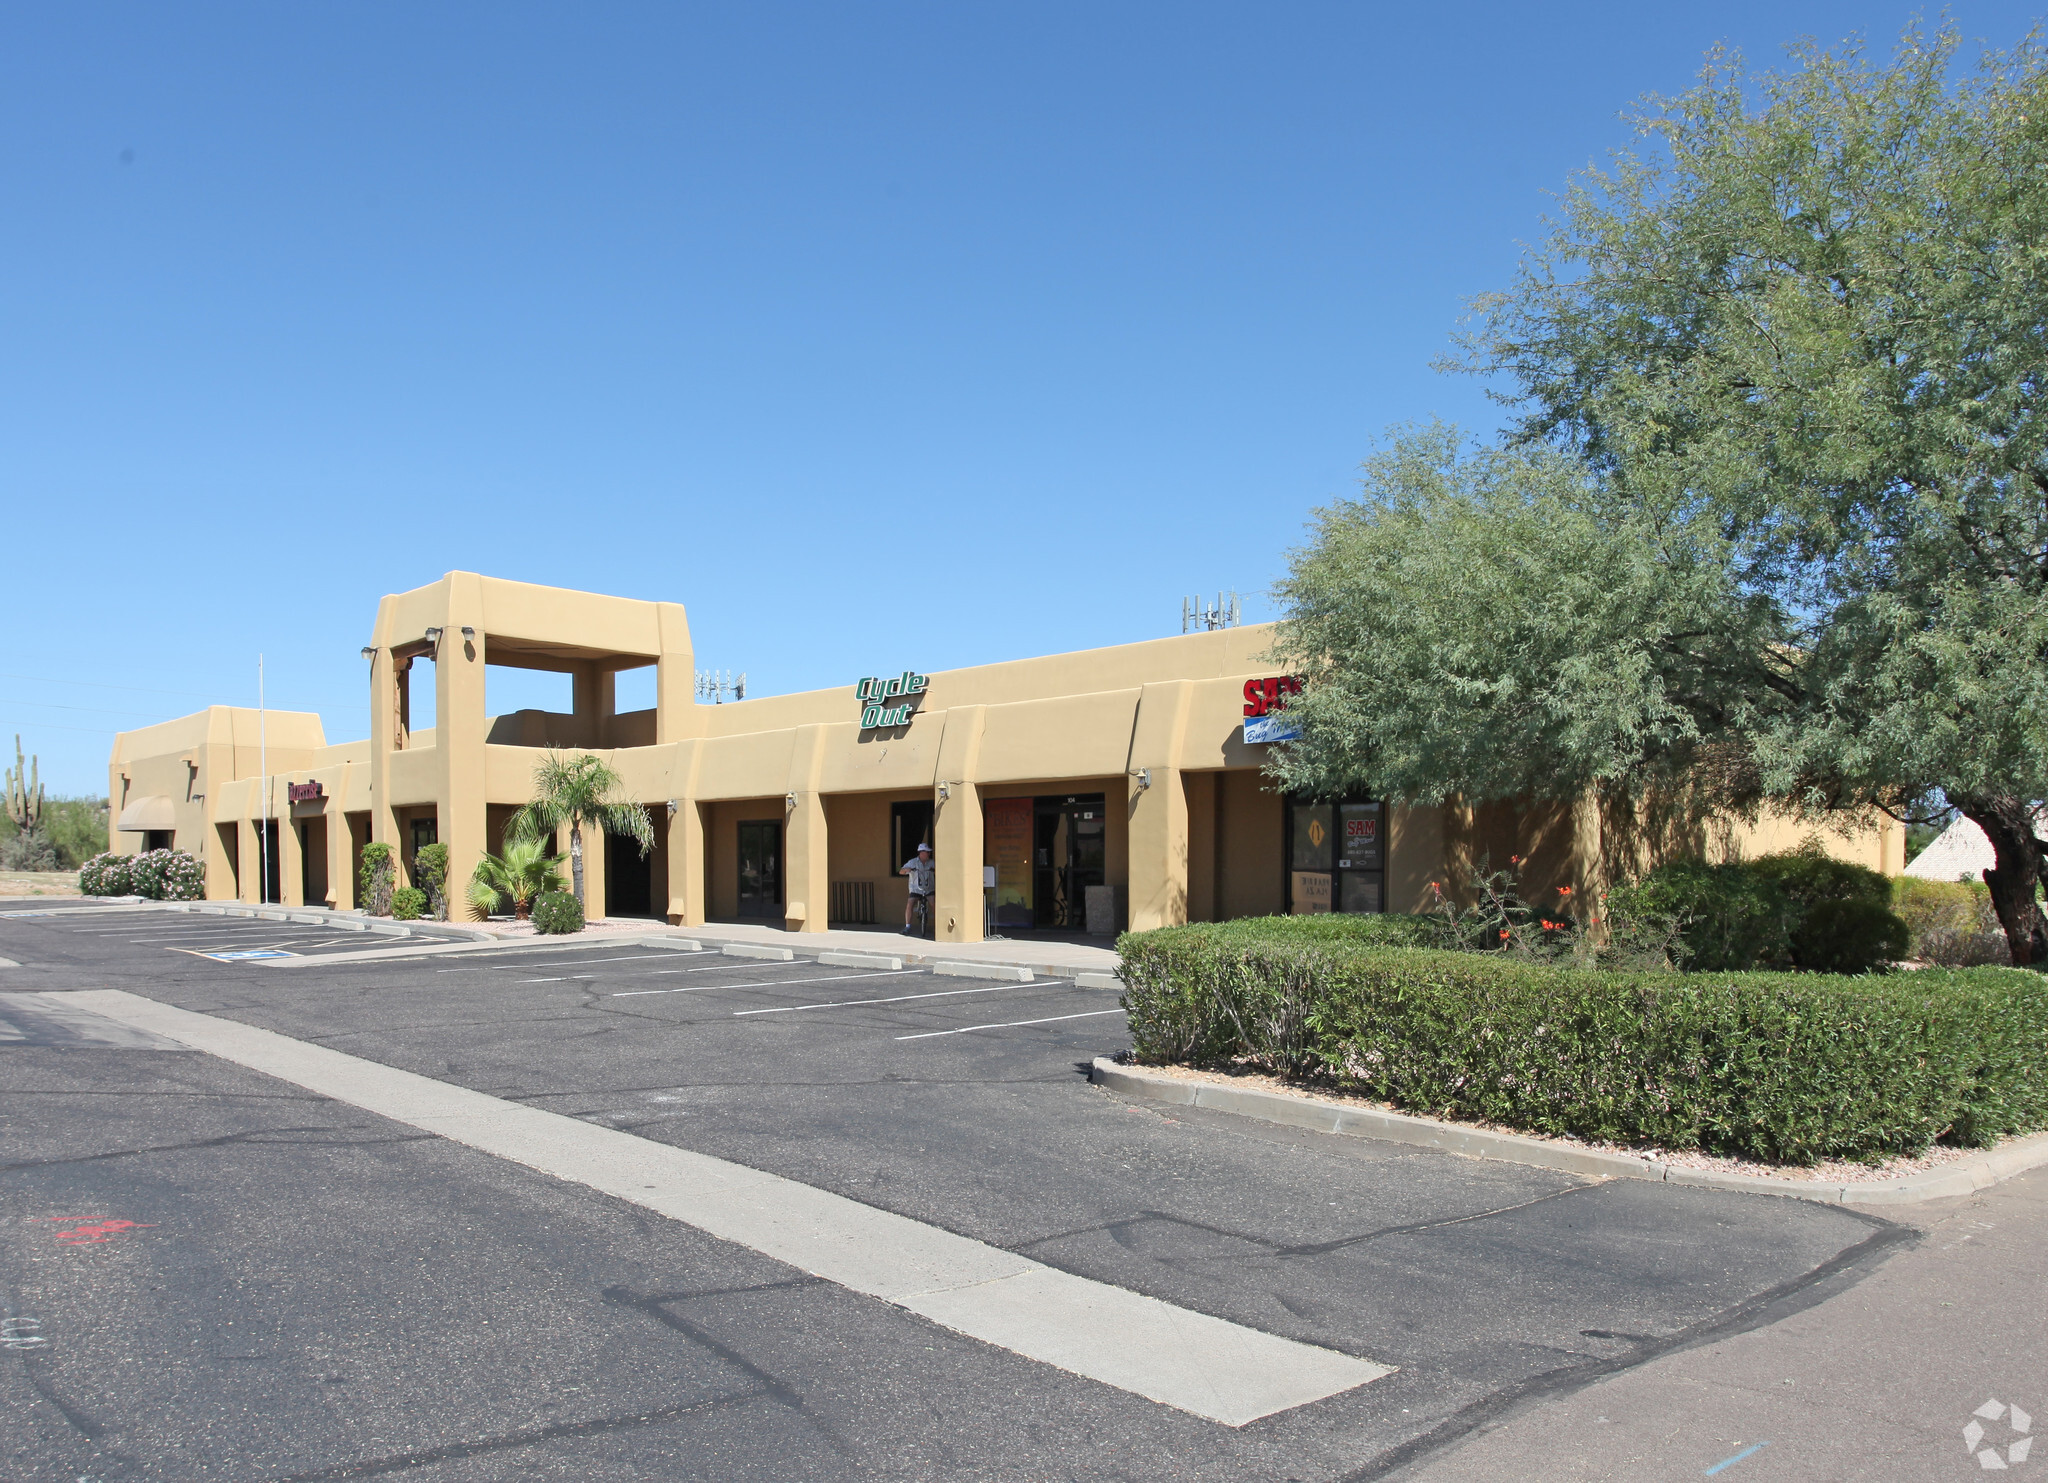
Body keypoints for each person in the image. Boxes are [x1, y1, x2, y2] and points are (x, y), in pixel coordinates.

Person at [900, 841, 934, 934]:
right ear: (921, 853)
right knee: (910, 903)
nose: (929, 854)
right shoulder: (913, 862)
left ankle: (937, 926)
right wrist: (907, 870)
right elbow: (901, 871)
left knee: (934, 903)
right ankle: (907, 926)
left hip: (929, 889)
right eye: (927, 852)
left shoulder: (932, 863)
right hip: (916, 889)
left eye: (928, 852)